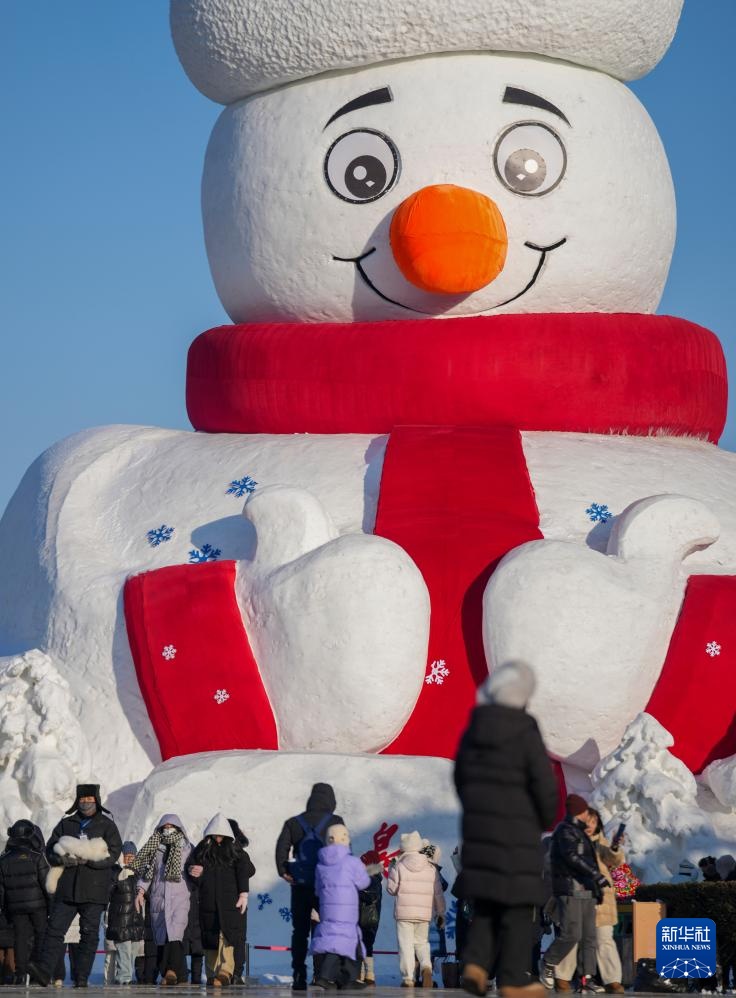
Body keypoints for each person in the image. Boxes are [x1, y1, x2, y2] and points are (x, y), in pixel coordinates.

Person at [454, 661, 558, 998]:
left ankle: (475, 964)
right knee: (515, 907)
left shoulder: (475, 726)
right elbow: (543, 781)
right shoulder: (525, 728)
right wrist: (543, 818)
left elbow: (460, 775)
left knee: (487, 903)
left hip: (479, 828)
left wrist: (476, 809)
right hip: (517, 831)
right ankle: (513, 980)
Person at [29, 783, 122, 988]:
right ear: (77, 801)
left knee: (88, 934)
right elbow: (50, 849)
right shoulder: (66, 823)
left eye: (90, 799)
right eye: (82, 799)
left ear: (96, 800)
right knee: (54, 930)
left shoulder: (107, 825)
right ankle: (44, 971)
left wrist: (91, 861)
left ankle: (81, 977)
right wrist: (61, 860)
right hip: (67, 888)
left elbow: (114, 853)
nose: (86, 803)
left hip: (94, 888)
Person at [275, 783, 342, 990]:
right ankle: (325, 975)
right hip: (327, 887)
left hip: (301, 885)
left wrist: (284, 871)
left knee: (300, 931)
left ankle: (299, 976)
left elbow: (281, 849)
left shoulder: (294, 823)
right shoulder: (336, 822)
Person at [541, 795, 608, 995]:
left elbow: (590, 860)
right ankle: (548, 962)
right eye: (585, 811)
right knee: (572, 934)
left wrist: (596, 888)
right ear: (578, 811)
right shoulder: (565, 830)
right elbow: (572, 857)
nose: (588, 815)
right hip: (570, 889)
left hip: (586, 890)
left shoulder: (580, 832)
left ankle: (586, 979)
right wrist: (596, 875)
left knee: (589, 937)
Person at [553, 809, 625, 993]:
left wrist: (615, 847)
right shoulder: (567, 839)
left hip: (600, 900)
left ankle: (612, 980)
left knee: (604, 939)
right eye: (585, 821)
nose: (589, 826)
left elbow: (612, 858)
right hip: (575, 895)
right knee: (572, 937)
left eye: (593, 822)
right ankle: (562, 977)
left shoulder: (599, 842)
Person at [189, 813, 255, 987]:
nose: (218, 837)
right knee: (210, 937)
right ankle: (212, 973)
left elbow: (245, 871)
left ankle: (226, 971)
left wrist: (243, 894)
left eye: (221, 834)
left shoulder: (234, 850)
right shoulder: (203, 849)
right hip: (208, 902)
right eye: (215, 834)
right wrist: (194, 872)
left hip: (229, 903)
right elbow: (193, 870)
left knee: (227, 936)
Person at [132, 814, 193, 986]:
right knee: (163, 937)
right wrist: (140, 891)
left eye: (171, 826)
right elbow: (147, 874)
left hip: (180, 897)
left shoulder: (188, 849)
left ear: (178, 828)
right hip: (160, 898)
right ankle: (177, 975)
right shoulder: (155, 849)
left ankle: (172, 971)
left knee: (175, 934)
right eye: (164, 827)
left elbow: (194, 870)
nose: (167, 830)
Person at [311, 824, 370, 989]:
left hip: (328, 908)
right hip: (346, 908)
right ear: (345, 839)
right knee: (349, 940)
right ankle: (345, 979)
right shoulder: (352, 862)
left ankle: (332, 977)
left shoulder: (321, 864)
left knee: (335, 940)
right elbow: (363, 882)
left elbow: (317, 889)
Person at [387, 830, 446, 989]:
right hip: (424, 914)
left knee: (406, 945)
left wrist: (392, 869)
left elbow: (391, 890)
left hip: (404, 914)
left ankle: (408, 978)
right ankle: (426, 967)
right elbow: (438, 893)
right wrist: (441, 912)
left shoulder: (399, 866)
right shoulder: (430, 867)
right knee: (422, 943)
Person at [0, 820, 49, 985]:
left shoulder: (3, 859)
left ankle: (21, 973)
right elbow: (47, 884)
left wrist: (4, 908)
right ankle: (38, 970)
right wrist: (52, 905)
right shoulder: (37, 857)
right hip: (38, 906)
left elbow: (1, 889)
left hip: (15, 907)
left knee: (20, 938)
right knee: (41, 935)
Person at [106, 841, 144, 985]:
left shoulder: (139, 873)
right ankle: (124, 977)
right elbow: (107, 892)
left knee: (133, 951)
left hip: (135, 919)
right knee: (124, 950)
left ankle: (125, 975)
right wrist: (118, 878)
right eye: (127, 855)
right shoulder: (114, 871)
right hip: (120, 919)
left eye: (132, 855)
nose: (130, 858)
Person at [227, 819, 251, 984]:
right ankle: (237, 972)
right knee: (239, 938)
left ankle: (229, 971)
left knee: (228, 937)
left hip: (227, 899)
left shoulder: (225, 852)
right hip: (239, 901)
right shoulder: (241, 852)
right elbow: (251, 869)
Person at [358, 850, 383, 986]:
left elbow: (371, 896)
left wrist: (356, 891)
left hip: (367, 918)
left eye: (363, 862)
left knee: (365, 945)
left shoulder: (372, 878)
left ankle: (365, 974)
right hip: (368, 917)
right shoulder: (372, 877)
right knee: (366, 946)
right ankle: (366, 974)